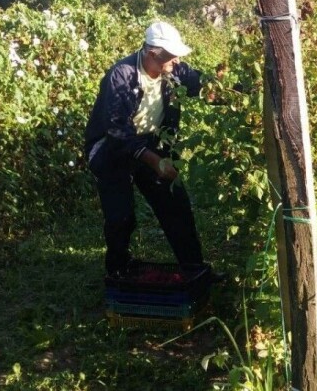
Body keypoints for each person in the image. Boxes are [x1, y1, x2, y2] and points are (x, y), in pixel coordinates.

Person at [84, 21, 223, 282]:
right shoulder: (122, 76)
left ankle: (195, 269)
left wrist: (237, 91)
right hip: (111, 150)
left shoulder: (173, 70)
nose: (177, 60)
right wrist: (155, 162)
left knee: (176, 205)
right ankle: (118, 270)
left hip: (149, 143)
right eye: (170, 55)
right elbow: (116, 132)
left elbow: (202, 85)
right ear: (151, 54)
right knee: (120, 216)